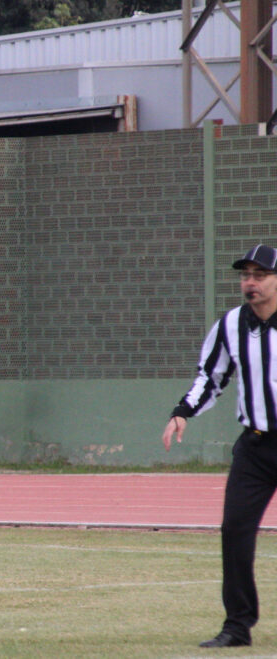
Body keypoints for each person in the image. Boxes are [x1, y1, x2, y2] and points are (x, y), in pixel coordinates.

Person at [163, 243, 277, 648]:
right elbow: (211, 377)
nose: (251, 283)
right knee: (235, 530)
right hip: (257, 446)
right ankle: (237, 625)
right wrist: (182, 412)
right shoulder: (230, 325)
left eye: (260, 275)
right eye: (245, 276)